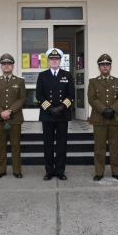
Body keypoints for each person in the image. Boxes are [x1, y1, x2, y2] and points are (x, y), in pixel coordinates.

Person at [36, 48, 75, 181]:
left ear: (60, 60)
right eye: (52, 59)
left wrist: (60, 108)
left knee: (61, 144)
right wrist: (50, 109)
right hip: (48, 115)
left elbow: (71, 95)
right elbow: (39, 96)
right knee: (47, 144)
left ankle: (60, 171)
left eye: (56, 59)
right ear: (48, 60)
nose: (54, 61)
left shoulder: (67, 75)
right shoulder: (42, 75)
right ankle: (49, 171)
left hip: (62, 115)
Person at [88, 54, 118, 181]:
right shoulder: (93, 82)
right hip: (99, 119)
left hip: (113, 118)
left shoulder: (117, 81)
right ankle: (99, 172)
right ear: (99, 67)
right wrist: (104, 110)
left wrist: (112, 109)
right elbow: (91, 98)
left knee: (115, 147)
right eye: (102, 65)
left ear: (111, 67)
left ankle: (116, 172)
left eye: (107, 65)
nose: (105, 67)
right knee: (99, 147)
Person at [0, 54, 26, 179]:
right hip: (0, 119)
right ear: (1, 66)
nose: (6, 66)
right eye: (4, 64)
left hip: (15, 118)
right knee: (1, 145)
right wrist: (1, 112)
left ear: (13, 66)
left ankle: (17, 170)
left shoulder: (20, 81)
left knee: (15, 145)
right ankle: (1, 170)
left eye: (9, 64)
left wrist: (9, 111)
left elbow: (22, 99)